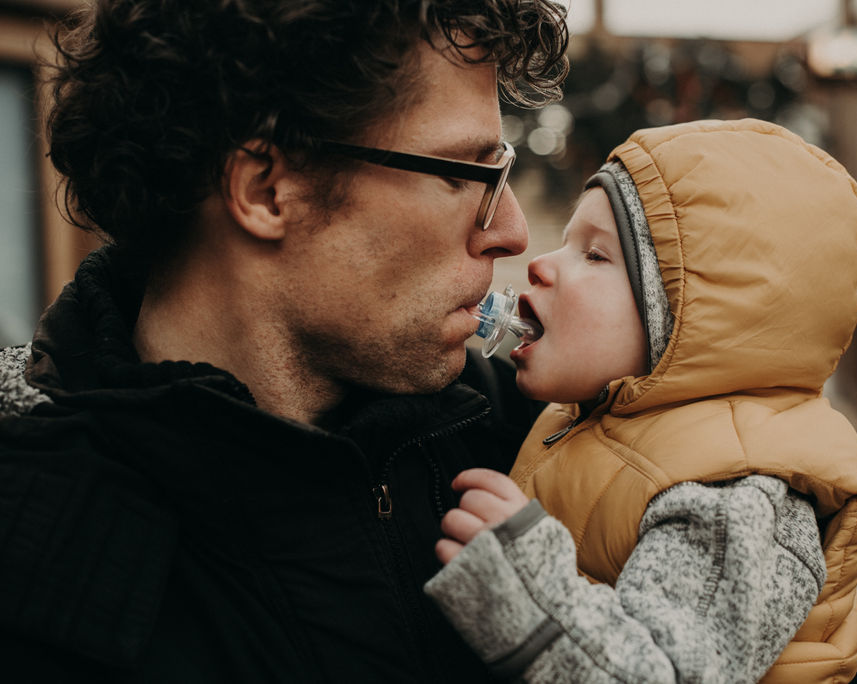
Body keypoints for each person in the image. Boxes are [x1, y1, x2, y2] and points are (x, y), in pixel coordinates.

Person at [0, 1, 568, 681]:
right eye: (466, 174)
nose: (511, 231)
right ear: (268, 191)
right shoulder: (43, 565)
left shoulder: (531, 436)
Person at [425, 118, 857, 683]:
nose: (540, 264)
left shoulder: (737, 498)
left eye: (594, 255)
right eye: (568, 243)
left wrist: (533, 590)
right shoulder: (595, 417)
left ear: (692, 324)